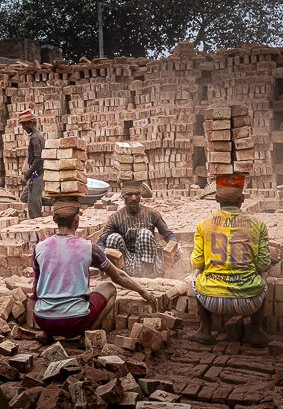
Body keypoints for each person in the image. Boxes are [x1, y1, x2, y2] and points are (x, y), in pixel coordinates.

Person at [33, 197, 157, 343]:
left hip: (42, 319)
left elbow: (35, 289)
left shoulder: (39, 247)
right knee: (110, 288)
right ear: (77, 220)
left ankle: (47, 334)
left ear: (54, 219)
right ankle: (86, 335)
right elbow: (116, 276)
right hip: (77, 322)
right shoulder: (88, 247)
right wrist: (142, 291)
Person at [190, 174, 272, 348]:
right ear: (242, 199)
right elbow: (263, 265)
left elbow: (196, 263)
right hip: (249, 302)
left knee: (196, 274)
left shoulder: (204, 224)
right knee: (264, 271)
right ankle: (256, 331)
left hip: (210, 300)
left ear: (217, 198)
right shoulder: (258, 225)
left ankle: (205, 330)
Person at [97, 180, 177, 278]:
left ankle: (148, 277)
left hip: (151, 263)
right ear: (122, 197)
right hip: (126, 263)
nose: (134, 198)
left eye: (137, 194)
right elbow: (101, 242)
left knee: (144, 234)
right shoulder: (114, 218)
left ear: (140, 195)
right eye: (129, 195)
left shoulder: (152, 213)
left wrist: (173, 246)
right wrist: (107, 253)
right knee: (112, 238)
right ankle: (119, 277)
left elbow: (169, 235)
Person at [18, 109, 52, 219]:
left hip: (37, 174)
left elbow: (38, 159)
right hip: (35, 174)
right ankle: (54, 202)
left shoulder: (35, 138)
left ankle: (36, 223)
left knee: (33, 203)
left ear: (31, 123)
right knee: (25, 198)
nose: (23, 128)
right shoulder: (37, 135)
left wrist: (27, 174)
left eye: (24, 124)